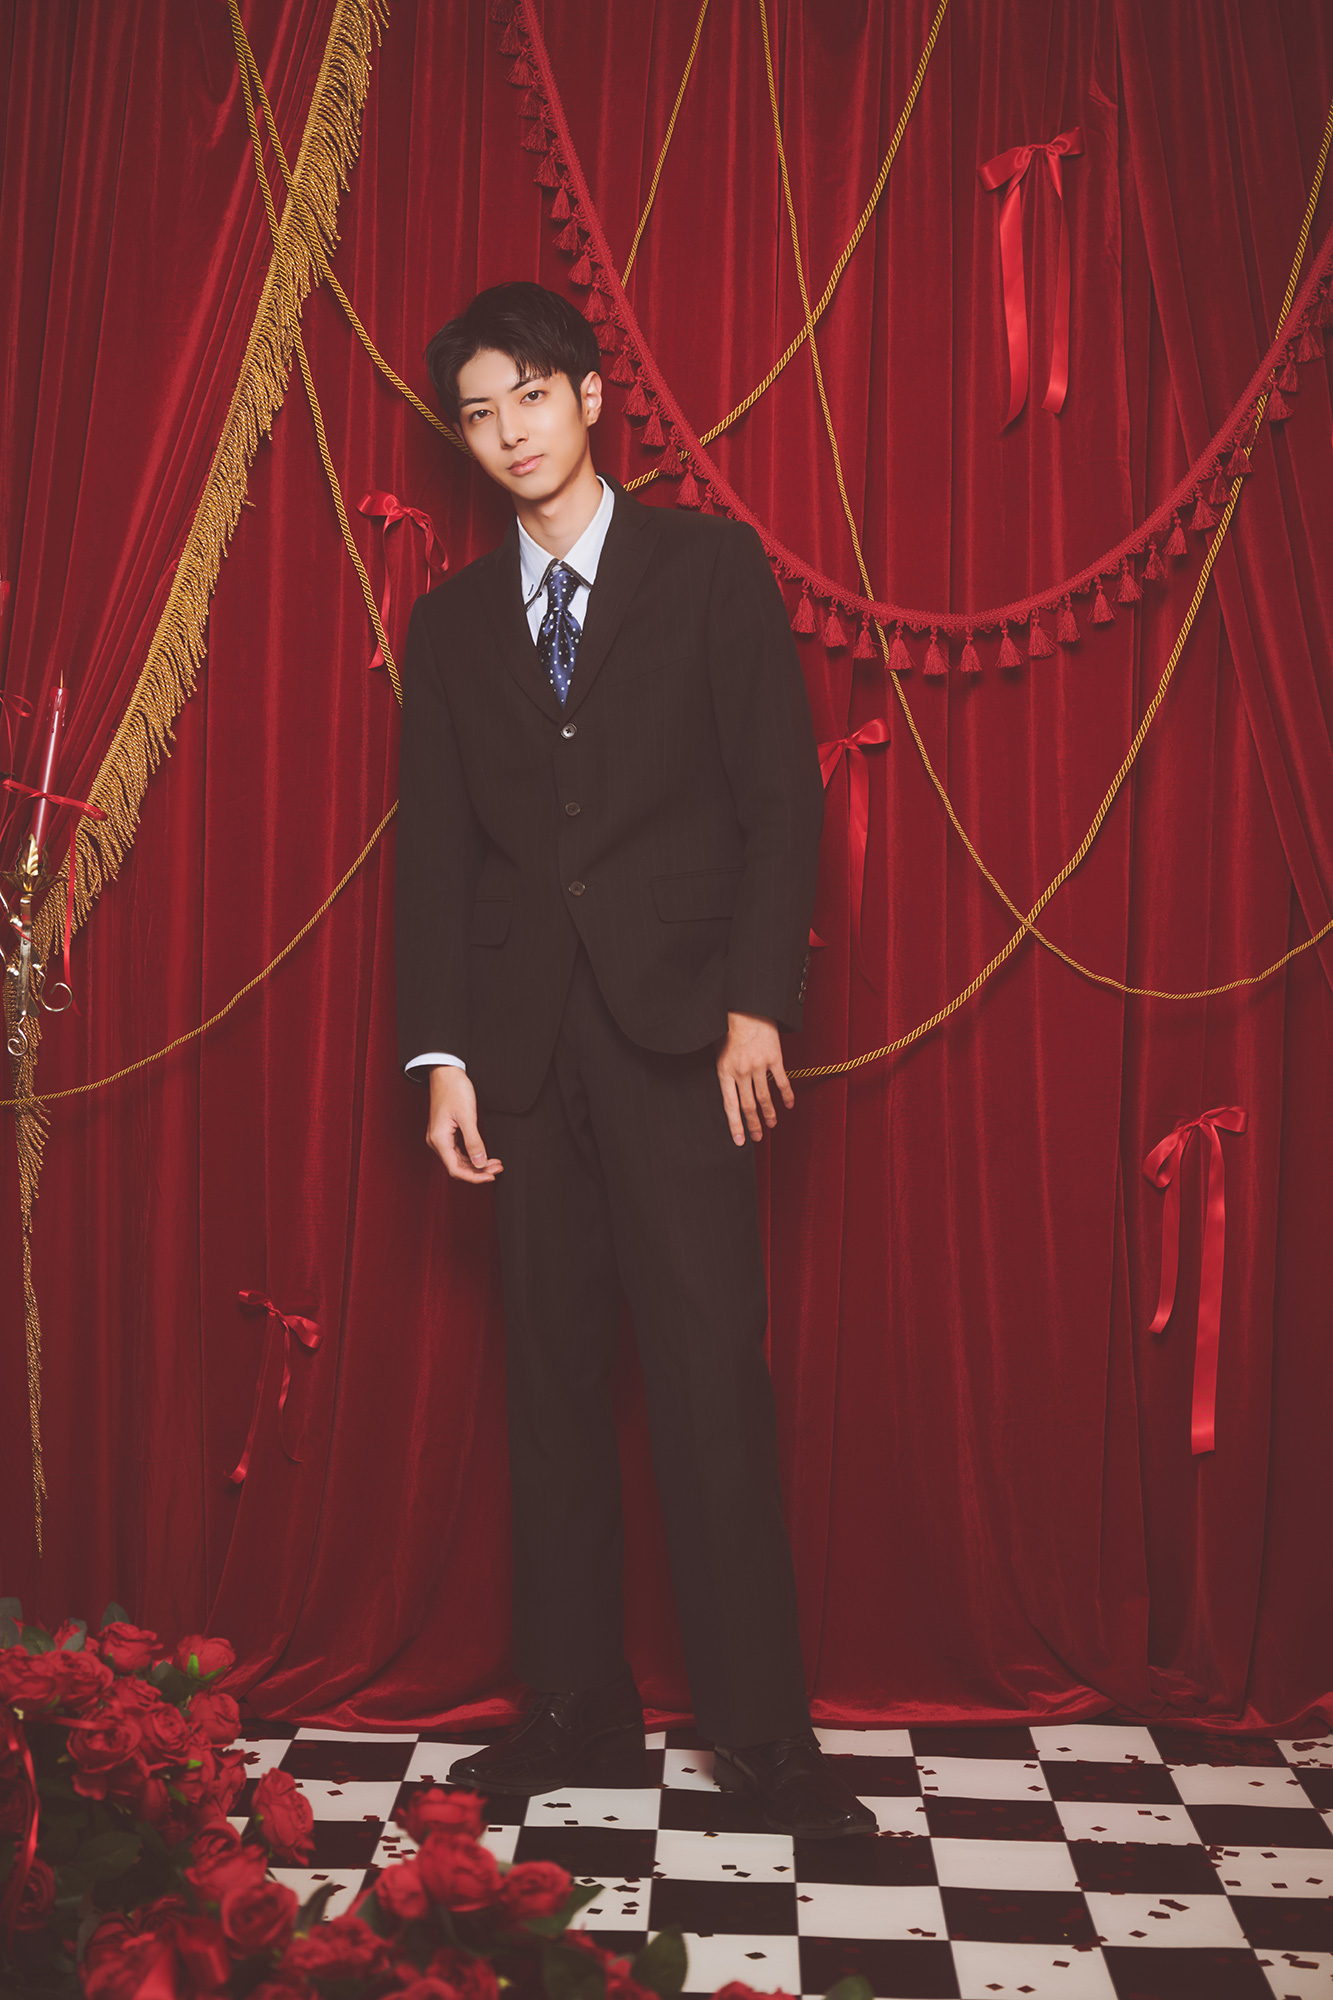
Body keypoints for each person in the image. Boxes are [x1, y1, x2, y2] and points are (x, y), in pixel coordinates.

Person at [395, 280, 873, 1838]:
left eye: (530, 396)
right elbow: (436, 856)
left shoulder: (708, 568)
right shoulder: (450, 625)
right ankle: (575, 1708)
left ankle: (766, 1739)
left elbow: (778, 801)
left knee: (707, 1379)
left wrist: (757, 1006)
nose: (508, 433)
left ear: (591, 396)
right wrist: (442, 1055)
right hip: (520, 1053)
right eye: (478, 415)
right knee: (548, 1385)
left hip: (683, 1039)